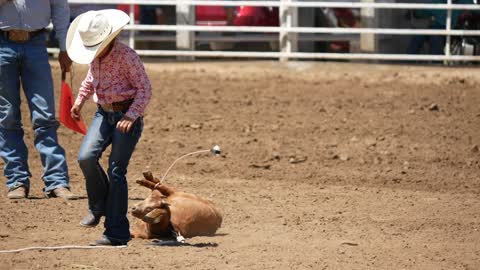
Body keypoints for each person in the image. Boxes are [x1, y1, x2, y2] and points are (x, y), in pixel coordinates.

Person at [66, 9, 152, 246]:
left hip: (126, 115)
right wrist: (79, 101)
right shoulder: (97, 57)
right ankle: (98, 206)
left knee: (116, 170)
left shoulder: (127, 57)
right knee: (86, 157)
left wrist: (132, 115)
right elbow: (91, 80)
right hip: (103, 113)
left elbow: (145, 89)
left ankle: (116, 232)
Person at [0, 0, 77, 200]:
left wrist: (64, 46)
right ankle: (17, 180)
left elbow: (59, 6)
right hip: (2, 43)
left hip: (36, 42)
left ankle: (56, 181)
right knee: (7, 116)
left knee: (45, 114)